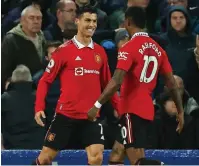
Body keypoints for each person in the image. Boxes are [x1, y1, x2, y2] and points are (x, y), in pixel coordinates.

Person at [87, 6, 184, 165]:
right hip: (146, 109)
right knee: (116, 156)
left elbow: (116, 80)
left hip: (131, 109)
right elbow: (172, 83)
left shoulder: (129, 48)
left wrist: (97, 104)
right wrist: (180, 110)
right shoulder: (159, 50)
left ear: (128, 21)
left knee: (137, 161)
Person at [33, 6, 118, 165]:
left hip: (91, 117)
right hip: (66, 116)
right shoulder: (63, 51)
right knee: (45, 159)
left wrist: (119, 108)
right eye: (87, 20)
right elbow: (45, 80)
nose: (92, 24)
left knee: (97, 157)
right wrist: (39, 107)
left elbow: (108, 84)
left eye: (94, 21)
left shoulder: (100, 52)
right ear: (77, 21)